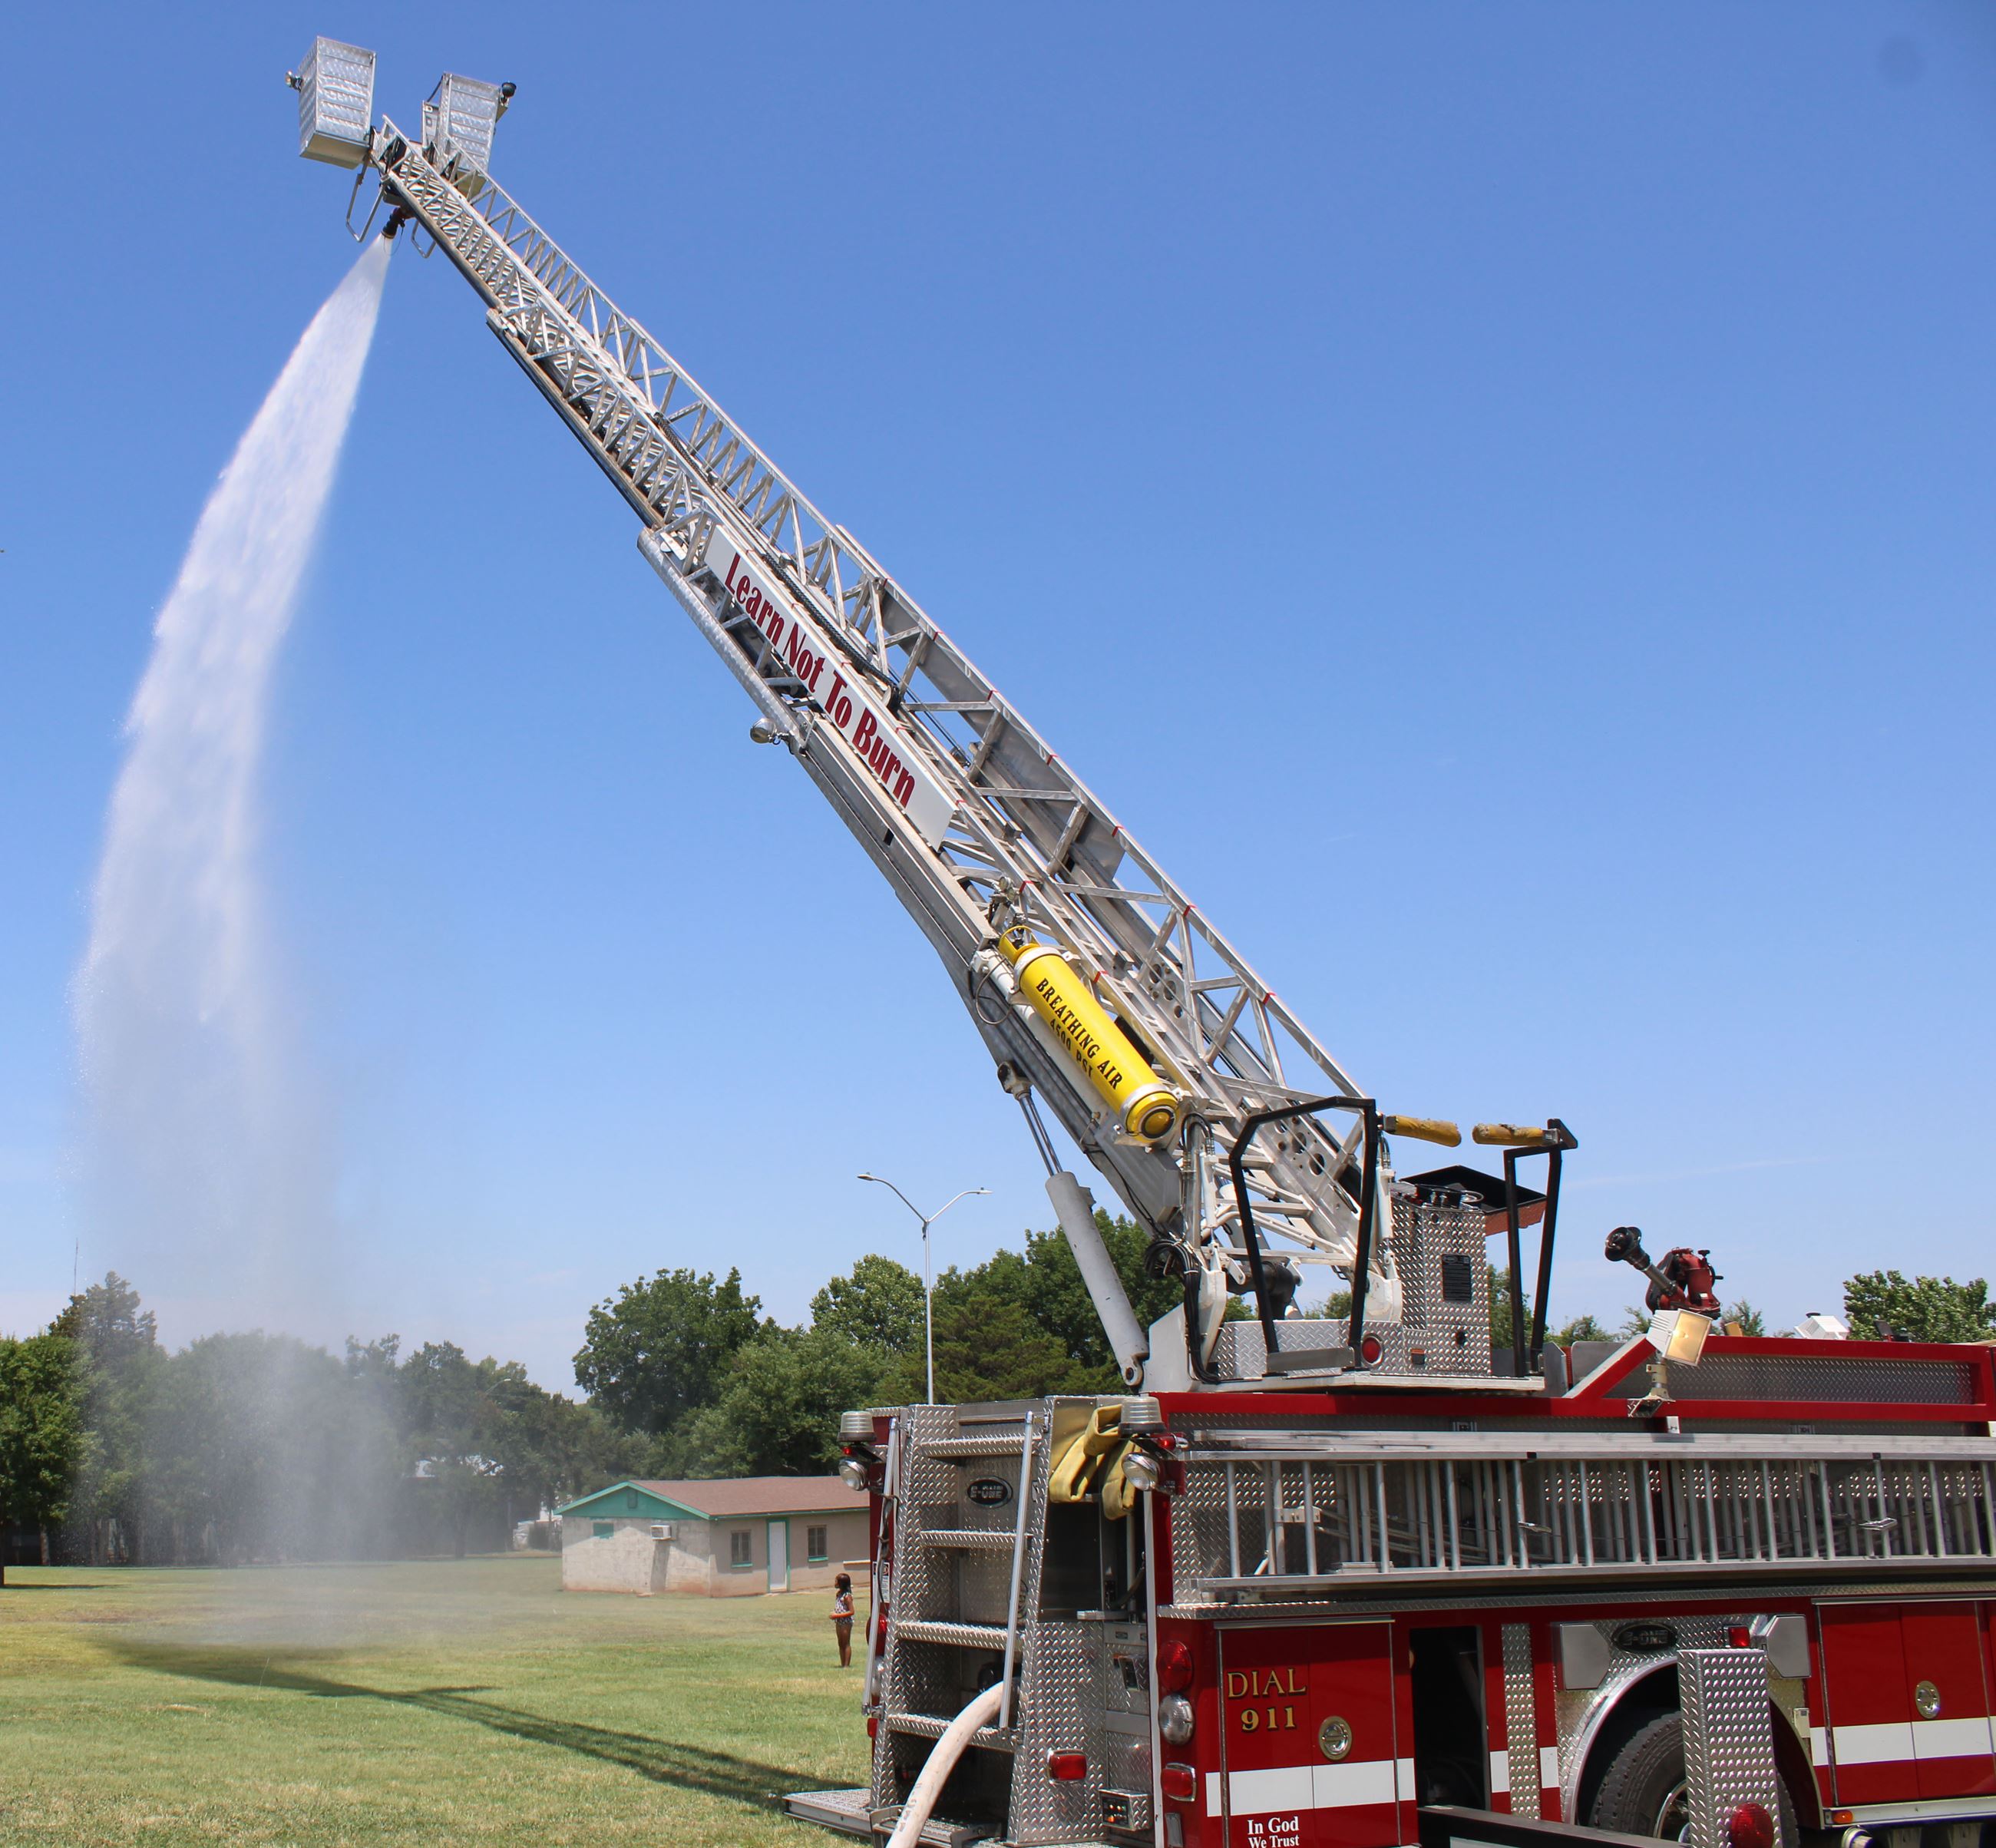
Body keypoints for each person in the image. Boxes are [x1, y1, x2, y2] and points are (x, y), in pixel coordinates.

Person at [831, 1572, 855, 1666]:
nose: (835, 1583)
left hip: (846, 1622)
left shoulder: (847, 1596)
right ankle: (842, 1664)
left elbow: (851, 1611)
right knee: (840, 1643)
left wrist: (837, 1616)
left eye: (836, 1581)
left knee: (846, 1643)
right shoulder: (839, 1594)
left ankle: (846, 1665)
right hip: (839, 1622)